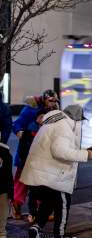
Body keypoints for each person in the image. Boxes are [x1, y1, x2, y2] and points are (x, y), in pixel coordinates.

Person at [21, 105, 92, 238]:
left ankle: (36, 228)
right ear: (76, 119)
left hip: (40, 173)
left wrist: (86, 150)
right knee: (63, 201)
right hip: (49, 174)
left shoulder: (55, 122)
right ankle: (58, 237)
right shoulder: (64, 126)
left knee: (49, 201)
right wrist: (85, 155)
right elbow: (60, 151)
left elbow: (63, 147)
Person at [12, 91, 58, 219]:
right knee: (22, 181)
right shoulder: (31, 110)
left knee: (41, 182)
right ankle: (16, 206)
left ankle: (40, 210)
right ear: (44, 100)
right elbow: (17, 124)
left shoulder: (55, 111)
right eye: (50, 100)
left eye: (54, 101)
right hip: (26, 151)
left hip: (43, 153)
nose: (52, 103)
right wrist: (20, 133)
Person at [0, 140, 13, 238]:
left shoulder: (4, 150)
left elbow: (8, 174)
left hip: (2, 186)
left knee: (3, 207)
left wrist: (10, 191)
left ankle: (2, 235)